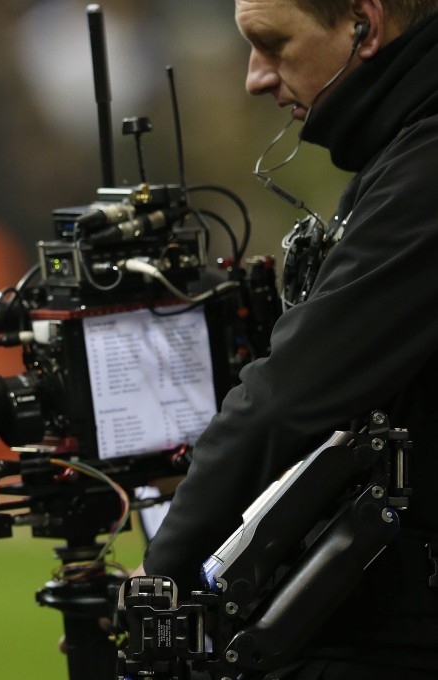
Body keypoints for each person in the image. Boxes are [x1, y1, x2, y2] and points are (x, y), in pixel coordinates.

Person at [139, 1, 438, 678]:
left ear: (364, 24)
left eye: (273, 44)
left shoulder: (425, 166)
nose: (255, 77)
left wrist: (157, 580)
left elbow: (288, 398)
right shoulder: (403, 150)